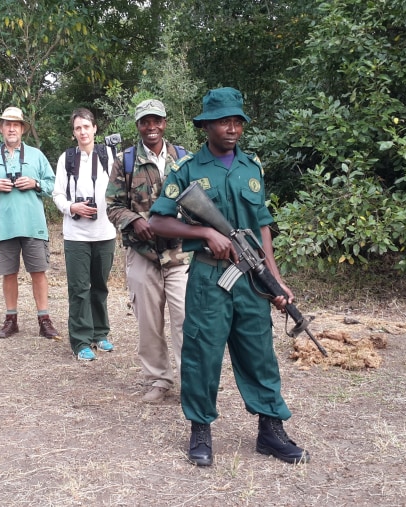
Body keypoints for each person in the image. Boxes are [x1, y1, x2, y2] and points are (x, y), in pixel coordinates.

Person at [148, 87, 309, 466]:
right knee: (202, 355)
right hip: (209, 277)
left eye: (237, 121)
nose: (232, 128)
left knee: (259, 354)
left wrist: (276, 278)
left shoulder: (252, 167)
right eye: (224, 121)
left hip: (251, 279)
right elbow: (157, 220)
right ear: (206, 126)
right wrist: (205, 233)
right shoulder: (187, 170)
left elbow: (262, 227)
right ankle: (200, 431)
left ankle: (271, 431)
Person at [105, 99, 190, 402]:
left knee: (186, 319)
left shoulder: (183, 159)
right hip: (142, 254)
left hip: (180, 255)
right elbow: (112, 206)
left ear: (165, 123)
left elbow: (199, 201)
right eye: (145, 122)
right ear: (138, 125)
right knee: (149, 322)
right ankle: (158, 380)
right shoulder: (125, 161)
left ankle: (190, 381)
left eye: (157, 121)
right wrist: (134, 221)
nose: (151, 127)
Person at [0, 106, 60, 340]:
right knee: (8, 273)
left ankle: (44, 320)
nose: (11, 128)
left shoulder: (36, 155)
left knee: (38, 272)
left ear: (23, 129)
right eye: (7, 124)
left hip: (33, 224)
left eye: (16, 124)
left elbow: (53, 185)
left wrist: (35, 183)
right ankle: (11, 320)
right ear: (0, 128)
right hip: (4, 226)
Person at [52, 108, 117, 361]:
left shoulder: (110, 155)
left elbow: (121, 186)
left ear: (95, 129)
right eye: (78, 128)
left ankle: (100, 333)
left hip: (105, 231)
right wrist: (72, 207)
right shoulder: (66, 159)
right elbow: (57, 194)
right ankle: (80, 341)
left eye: (86, 127)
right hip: (76, 234)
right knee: (79, 288)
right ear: (74, 133)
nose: (83, 132)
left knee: (100, 287)